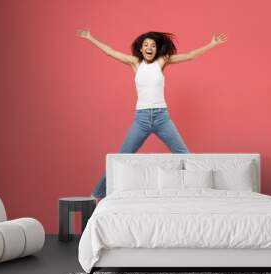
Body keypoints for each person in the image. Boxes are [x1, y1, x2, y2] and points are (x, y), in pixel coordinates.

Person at [75, 30, 227, 199]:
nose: (150, 47)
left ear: (157, 49)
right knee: (120, 157)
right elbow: (110, 52)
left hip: (162, 118)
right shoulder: (135, 63)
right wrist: (90, 38)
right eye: (146, 45)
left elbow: (190, 55)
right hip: (142, 119)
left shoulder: (162, 62)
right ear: (141, 49)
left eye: (153, 45)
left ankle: (200, 191)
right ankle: (97, 193)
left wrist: (212, 44)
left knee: (184, 155)